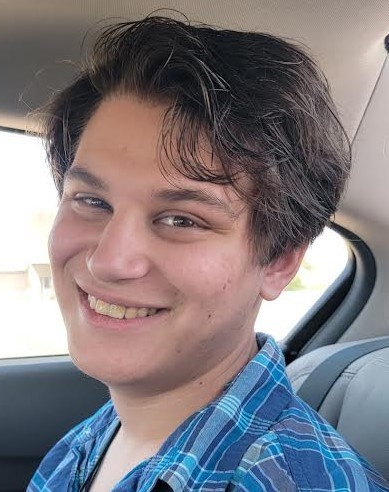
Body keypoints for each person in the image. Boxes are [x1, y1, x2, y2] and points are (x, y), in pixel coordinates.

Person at [27, 16, 389, 492]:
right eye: (92, 201)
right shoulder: (100, 435)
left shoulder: (287, 481)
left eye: (182, 220)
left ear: (279, 261)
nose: (107, 262)